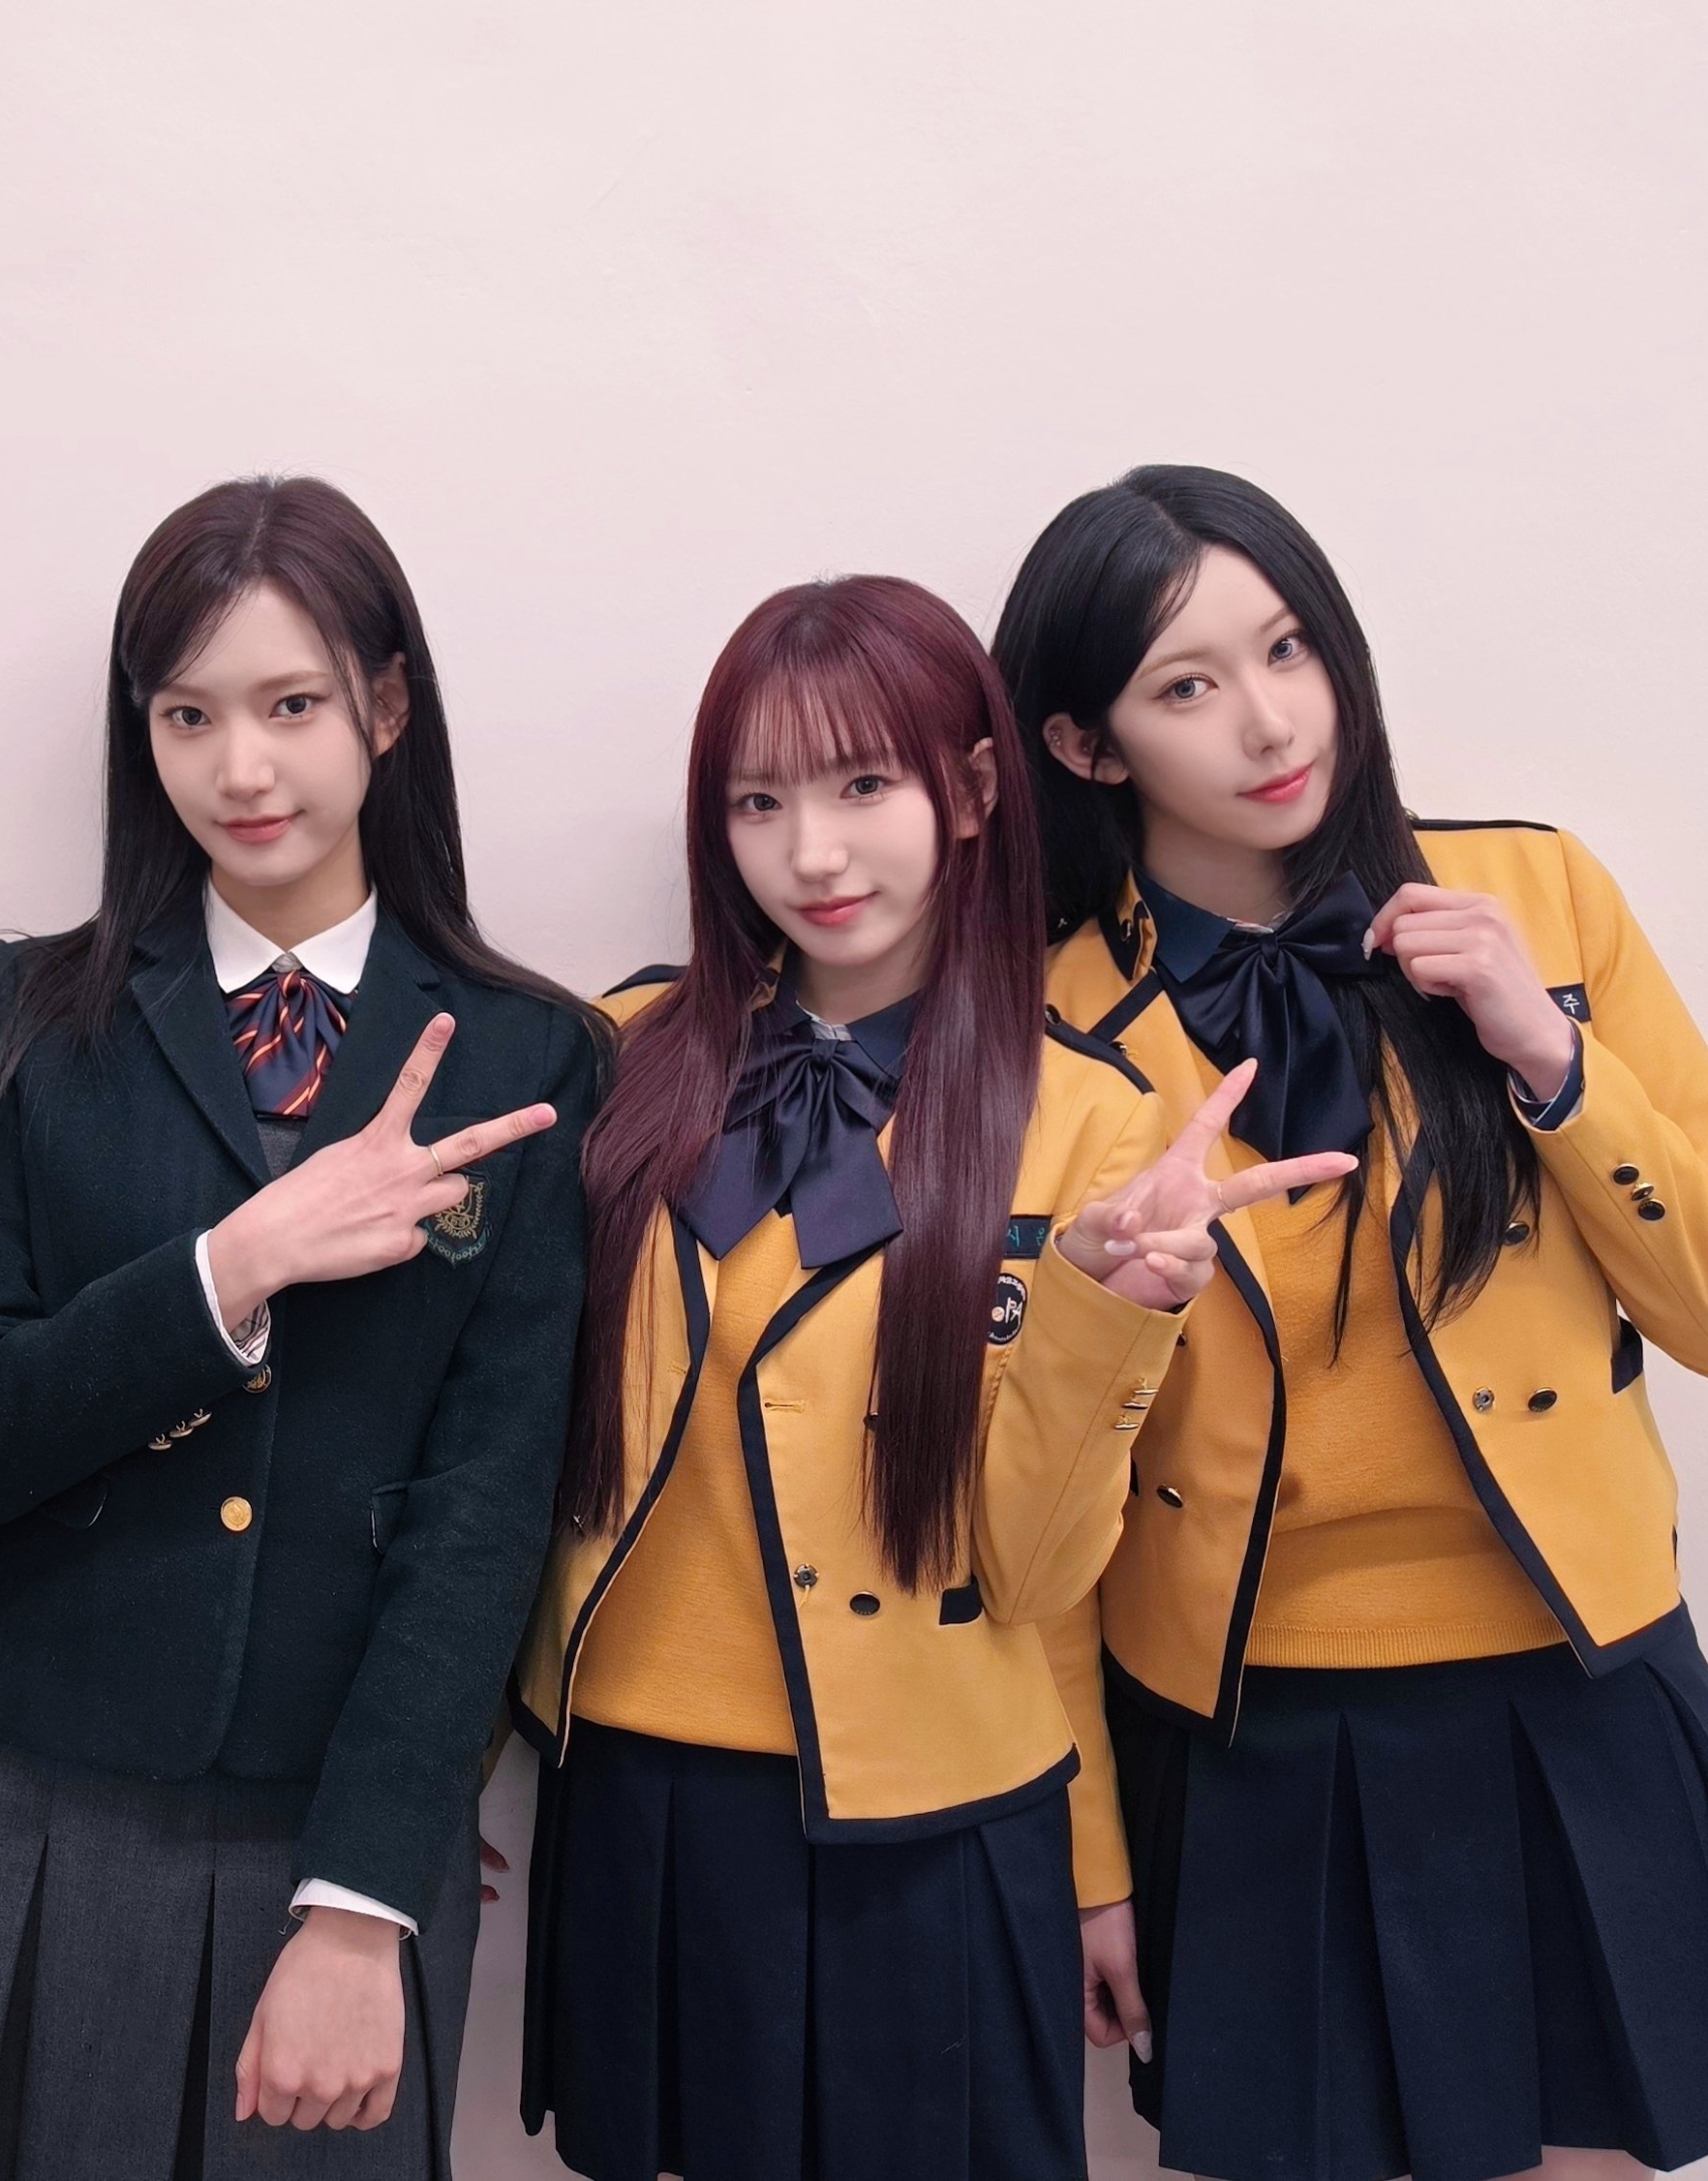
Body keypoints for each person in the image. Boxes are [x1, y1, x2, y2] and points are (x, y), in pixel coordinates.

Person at [996, 464, 1708, 2180]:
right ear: (1084, 745)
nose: (1267, 720)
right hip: (1242, 1724)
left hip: (1572, 1686)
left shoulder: (1537, 900)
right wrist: (1085, 1849)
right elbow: (1030, 1515)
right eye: (1183, 686)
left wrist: (1550, 1059)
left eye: (1286, 646)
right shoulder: (1045, 1028)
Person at [510, 575, 1337, 2180]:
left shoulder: (1090, 1119)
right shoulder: (617, 1062)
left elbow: (1036, 1577)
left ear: (967, 791)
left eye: (861, 786)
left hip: (941, 1807)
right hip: (637, 1791)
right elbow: (503, 1449)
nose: (811, 855)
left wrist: (1102, 1309)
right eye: (758, 802)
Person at [0, 475, 596, 2179]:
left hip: (346, 1811)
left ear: (384, 707)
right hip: (39, 1788)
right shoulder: (25, 1012)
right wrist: (233, 1265)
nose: (240, 769)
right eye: (187, 715)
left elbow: (486, 1508)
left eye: (291, 706)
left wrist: (361, 1898)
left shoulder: (526, 1056)